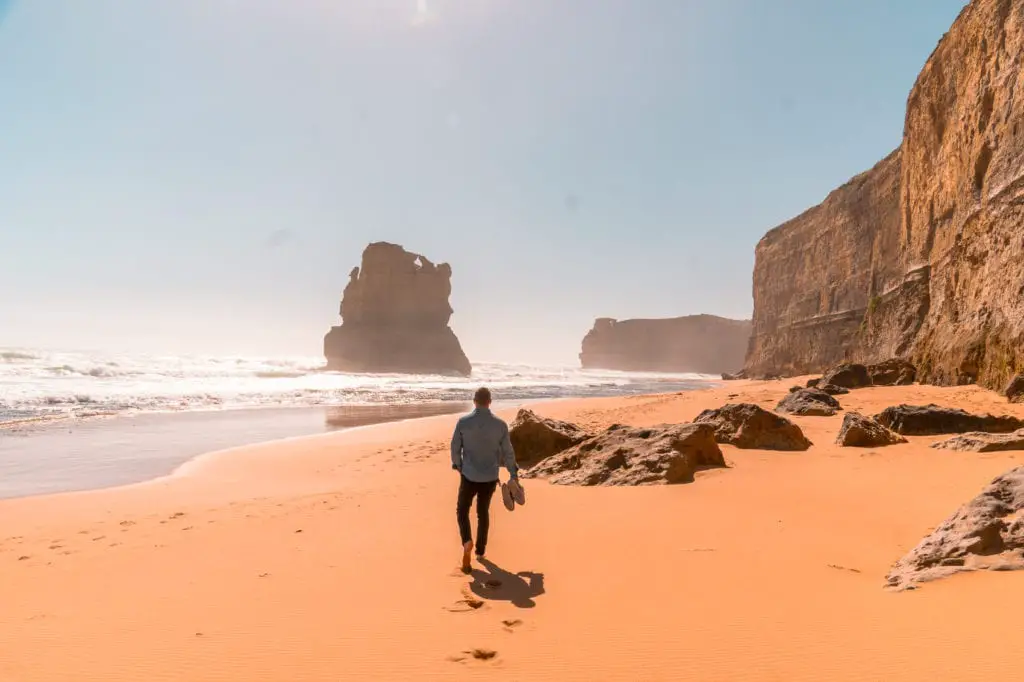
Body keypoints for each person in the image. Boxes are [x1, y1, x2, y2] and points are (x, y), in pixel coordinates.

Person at [450, 386, 519, 573]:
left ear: (474, 401)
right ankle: (480, 551)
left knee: (462, 510)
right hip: (489, 477)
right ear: (490, 402)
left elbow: (455, 447)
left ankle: (466, 541)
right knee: (483, 512)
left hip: (469, 475)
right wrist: (513, 475)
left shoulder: (463, 422)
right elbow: (508, 452)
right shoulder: (500, 425)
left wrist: (458, 465)